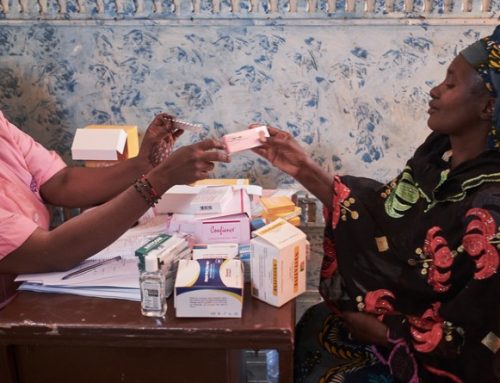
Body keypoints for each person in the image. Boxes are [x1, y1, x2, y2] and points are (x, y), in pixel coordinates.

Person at [251, 26, 500, 382]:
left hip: (434, 364)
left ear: (489, 106)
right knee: (310, 326)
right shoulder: (438, 159)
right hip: (394, 326)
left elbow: (476, 336)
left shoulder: (491, 210)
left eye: (450, 83)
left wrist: (387, 333)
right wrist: (301, 167)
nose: (434, 91)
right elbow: (387, 219)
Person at [0, 112, 229, 304]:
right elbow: (53, 252)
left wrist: (144, 164)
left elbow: (61, 182)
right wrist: (159, 179)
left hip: (33, 287)